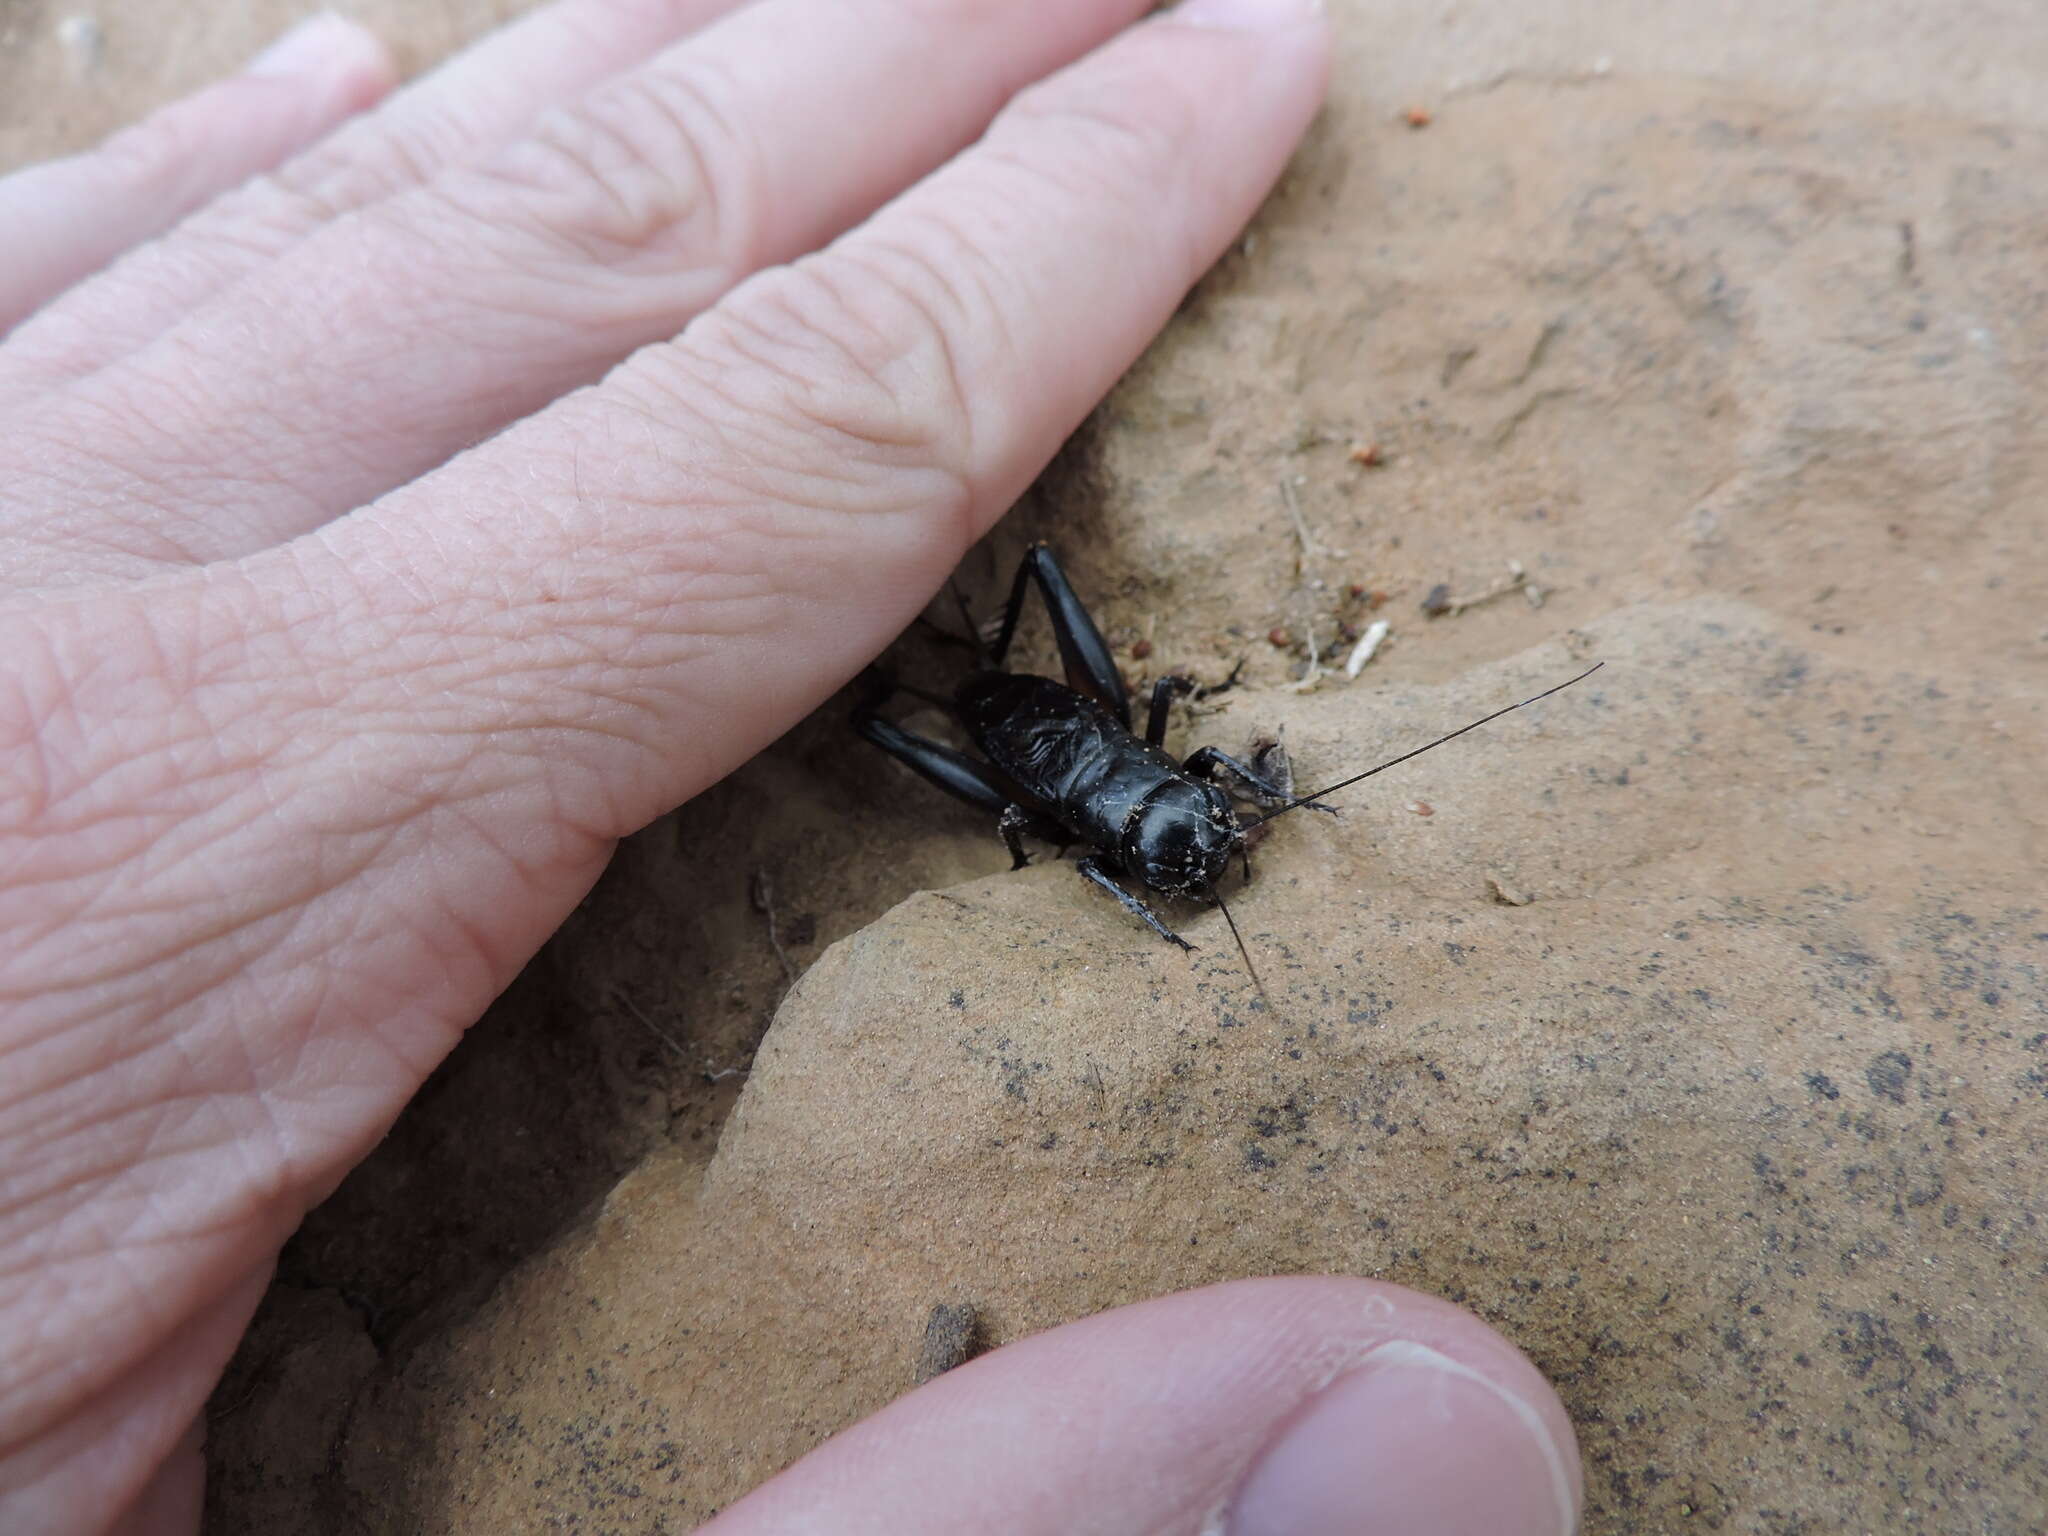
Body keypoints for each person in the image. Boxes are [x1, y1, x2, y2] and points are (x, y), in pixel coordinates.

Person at [0, 1, 1584, 1530]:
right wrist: (1129, 853)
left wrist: (1173, 832)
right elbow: (1112, 856)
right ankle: (870, 699)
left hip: (1063, 759)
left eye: (1197, 848)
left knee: (1011, 699)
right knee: (963, 678)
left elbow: (1139, 843)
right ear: (1158, 817)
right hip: (1037, 751)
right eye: (1194, 845)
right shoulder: (1120, 839)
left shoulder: (1156, 826)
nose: (1205, 853)